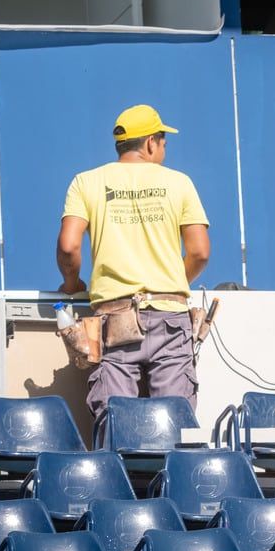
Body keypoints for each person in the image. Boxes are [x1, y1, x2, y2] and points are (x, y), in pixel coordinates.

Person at [56, 104, 211, 414]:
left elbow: (69, 246)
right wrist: (171, 282)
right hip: (170, 319)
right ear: (151, 142)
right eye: (164, 142)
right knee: (174, 423)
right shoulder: (179, 183)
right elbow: (199, 252)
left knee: (116, 421)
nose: (164, 149)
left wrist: (73, 284)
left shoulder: (86, 182)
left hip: (115, 319)